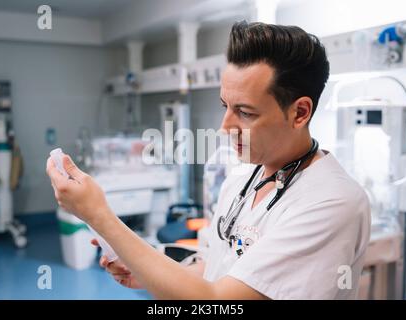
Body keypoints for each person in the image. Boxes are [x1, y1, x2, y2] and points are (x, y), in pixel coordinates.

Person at [47, 21, 370, 299]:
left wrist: (99, 215)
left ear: (299, 112)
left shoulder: (332, 202)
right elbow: (213, 264)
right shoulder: (241, 179)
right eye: (224, 106)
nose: (225, 126)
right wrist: (149, 273)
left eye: (245, 112)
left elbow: (218, 300)